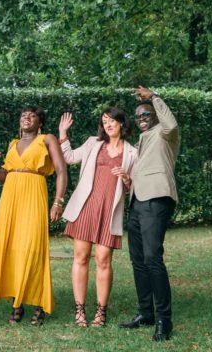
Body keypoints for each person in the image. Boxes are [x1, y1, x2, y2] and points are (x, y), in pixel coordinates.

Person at [0, 105, 67, 325]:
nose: (27, 117)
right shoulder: (13, 144)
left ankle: (40, 303)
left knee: (33, 248)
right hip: (10, 198)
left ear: (39, 122)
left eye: (32, 116)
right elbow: (6, 175)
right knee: (11, 248)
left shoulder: (47, 139)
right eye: (23, 115)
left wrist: (58, 201)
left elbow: (61, 171)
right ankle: (17, 302)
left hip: (34, 194)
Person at [58, 109, 138, 327]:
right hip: (86, 207)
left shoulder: (132, 152)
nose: (108, 125)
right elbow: (70, 157)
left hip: (109, 212)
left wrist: (127, 179)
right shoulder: (94, 142)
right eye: (104, 122)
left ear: (122, 123)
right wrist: (63, 133)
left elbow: (134, 189)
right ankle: (80, 310)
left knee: (103, 260)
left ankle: (101, 312)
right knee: (81, 258)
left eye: (112, 121)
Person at [119, 86, 179, 341]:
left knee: (153, 258)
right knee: (139, 260)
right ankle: (146, 313)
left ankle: (164, 320)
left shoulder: (165, 133)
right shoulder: (141, 140)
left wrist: (153, 97)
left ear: (154, 115)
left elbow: (172, 124)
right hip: (137, 201)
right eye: (138, 116)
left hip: (157, 200)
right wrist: (129, 182)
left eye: (146, 114)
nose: (141, 119)